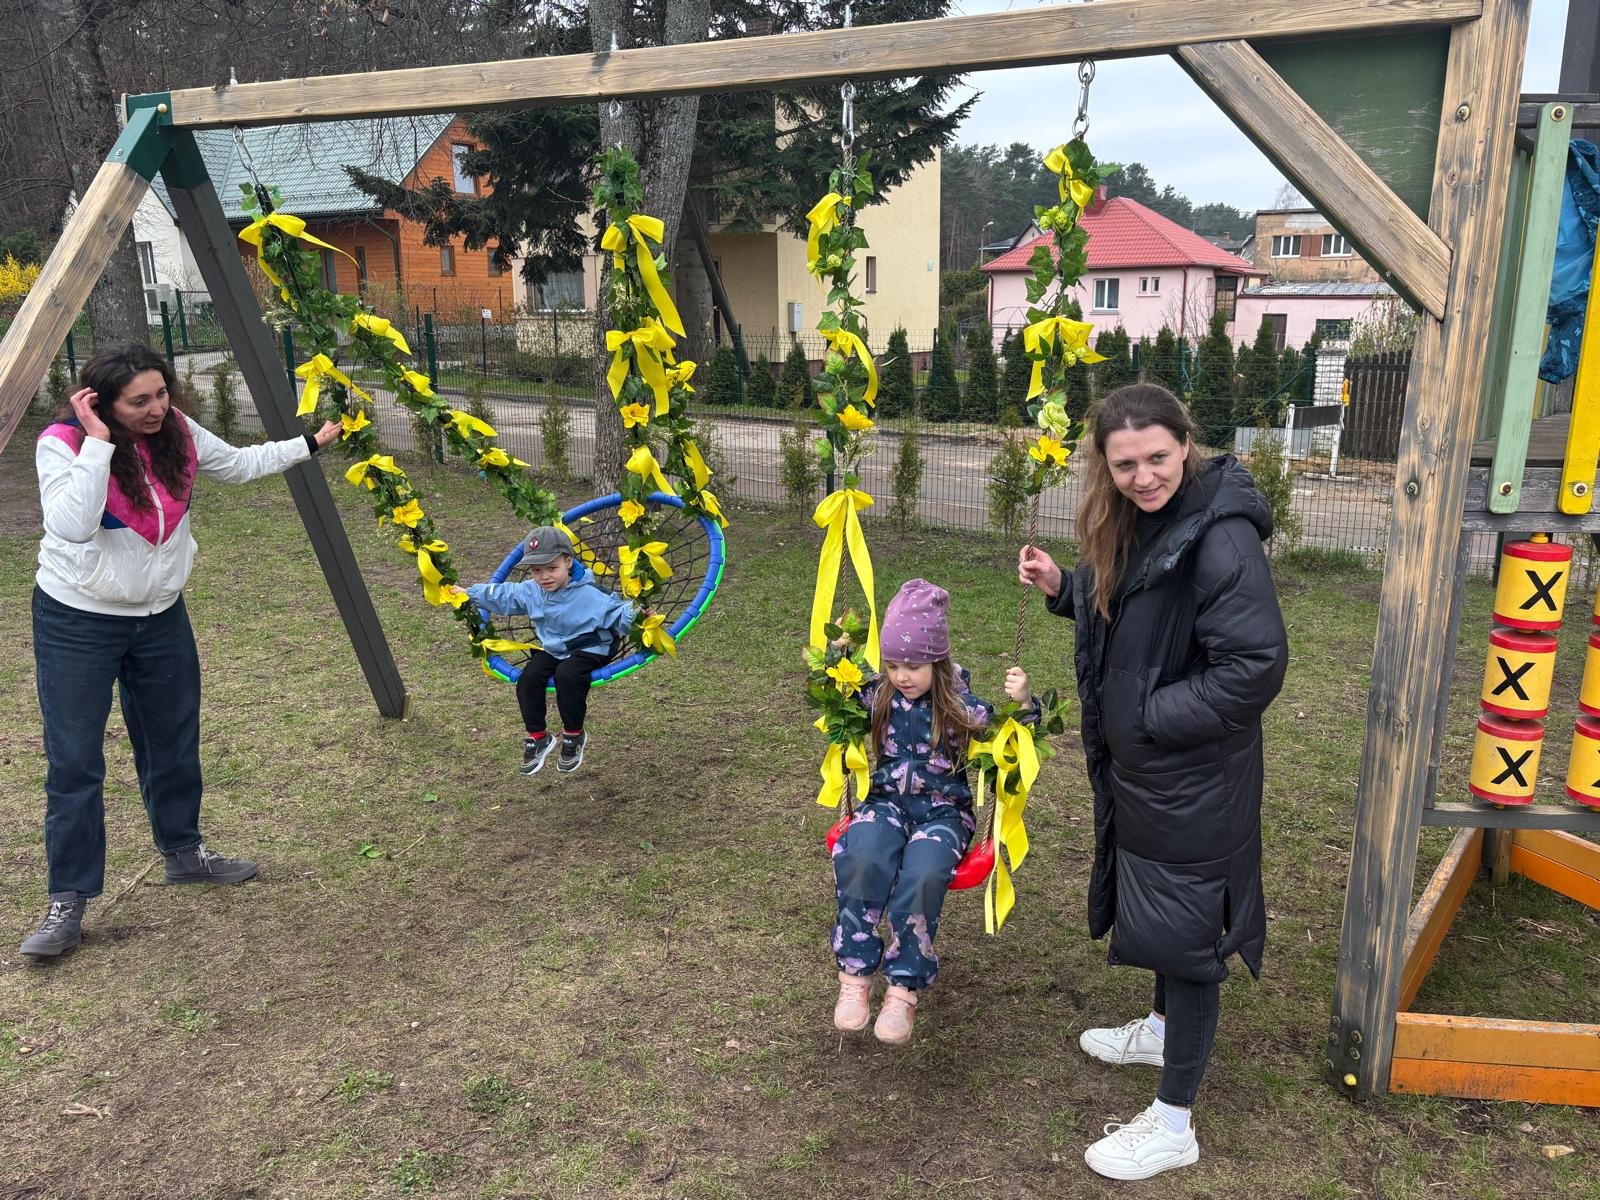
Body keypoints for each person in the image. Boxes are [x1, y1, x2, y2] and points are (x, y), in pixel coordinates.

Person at [1018, 383, 1287, 1181]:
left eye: (1157, 458)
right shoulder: (1148, 520)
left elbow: (1254, 666)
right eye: (1125, 464)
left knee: (1191, 934)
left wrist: (1145, 716)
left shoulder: (1221, 536)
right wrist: (1066, 588)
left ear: (1186, 444)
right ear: (1105, 466)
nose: (1144, 477)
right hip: (1154, 770)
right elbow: (1141, 614)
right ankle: (1163, 1031)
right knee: (1168, 910)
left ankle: (1174, 1123)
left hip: (1196, 773)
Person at [24, 343, 341, 960]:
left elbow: (239, 464)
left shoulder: (177, 431)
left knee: (171, 739)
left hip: (160, 616)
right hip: (78, 620)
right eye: (138, 401)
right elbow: (72, 525)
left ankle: (183, 851)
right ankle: (68, 898)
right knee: (75, 760)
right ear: (99, 404)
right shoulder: (62, 444)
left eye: (161, 394)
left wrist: (310, 444)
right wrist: (97, 444)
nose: (156, 409)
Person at [830, 578, 1035, 1045]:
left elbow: (1012, 734)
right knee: (860, 856)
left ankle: (902, 988)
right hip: (885, 805)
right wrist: (837, 657)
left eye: (914, 666)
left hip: (943, 816)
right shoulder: (878, 694)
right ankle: (855, 976)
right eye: (893, 665)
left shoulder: (960, 706)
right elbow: (836, 693)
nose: (902, 676)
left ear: (937, 661)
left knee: (922, 875)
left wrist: (1024, 702)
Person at [463, 525, 635, 776]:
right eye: (536, 570)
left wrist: (639, 614)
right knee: (528, 679)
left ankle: (574, 734)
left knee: (568, 675)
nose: (544, 577)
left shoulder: (591, 594)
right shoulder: (532, 591)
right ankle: (538, 736)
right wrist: (468, 594)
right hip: (555, 648)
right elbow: (503, 595)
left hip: (591, 646)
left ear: (568, 562)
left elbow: (620, 613)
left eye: (552, 568)